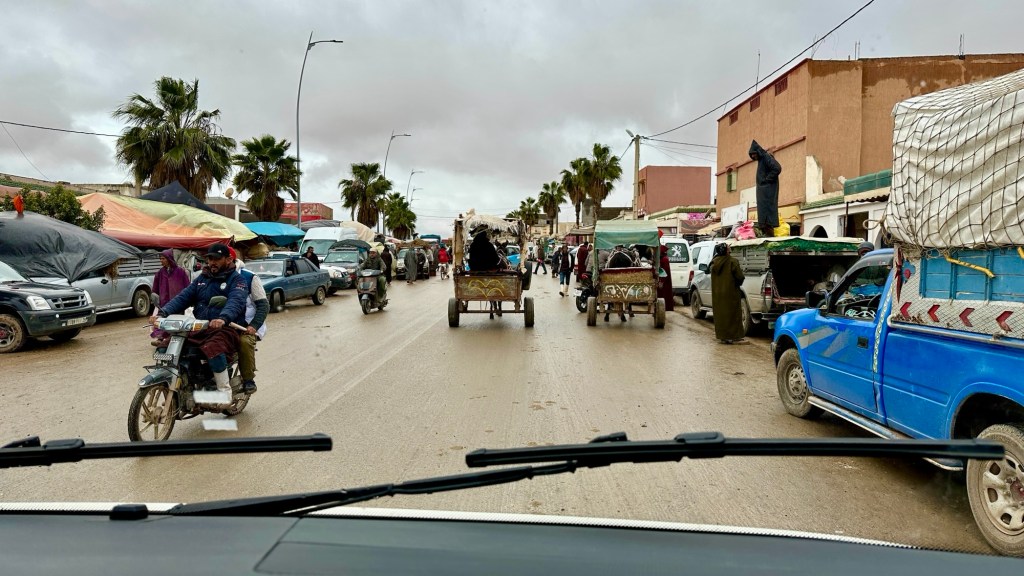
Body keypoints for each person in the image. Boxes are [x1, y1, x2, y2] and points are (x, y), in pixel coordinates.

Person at [151, 243, 248, 393]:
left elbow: (236, 301)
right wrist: (163, 313)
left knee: (212, 348)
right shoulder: (202, 278)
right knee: (165, 346)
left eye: (217, 259)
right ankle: (180, 386)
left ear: (228, 259)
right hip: (201, 327)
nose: (212, 262)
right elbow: (183, 297)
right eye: (210, 259)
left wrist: (223, 318)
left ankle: (224, 391)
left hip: (225, 328)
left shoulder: (237, 280)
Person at [232, 249, 268, 394]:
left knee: (244, 342)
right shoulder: (212, 277)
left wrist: (254, 326)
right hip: (224, 323)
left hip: (245, 325)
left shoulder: (249, 277)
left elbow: (263, 306)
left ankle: (248, 379)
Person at [150, 249, 190, 344]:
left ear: (169, 259)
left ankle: (175, 339)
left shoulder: (180, 272)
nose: (161, 261)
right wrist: (155, 298)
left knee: (176, 321)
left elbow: (188, 287)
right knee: (162, 320)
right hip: (164, 302)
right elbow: (155, 290)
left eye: (163, 259)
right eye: (160, 259)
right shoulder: (160, 273)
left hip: (178, 302)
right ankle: (160, 338)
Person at [710, 243, 746, 344]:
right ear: (726, 250)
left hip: (717, 294)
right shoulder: (732, 261)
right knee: (733, 315)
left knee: (721, 315)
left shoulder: (713, 262)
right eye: (728, 247)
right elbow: (740, 277)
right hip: (731, 293)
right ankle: (734, 336)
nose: (730, 248)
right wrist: (737, 284)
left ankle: (723, 337)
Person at [749, 140, 782, 238]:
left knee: (767, 217)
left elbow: (777, 168)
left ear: (758, 151)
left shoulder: (766, 157)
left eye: (754, 154)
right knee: (763, 218)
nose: (753, 156)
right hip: (763, 192)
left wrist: (767, 180)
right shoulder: (761, 160)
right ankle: (766, 232)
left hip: (767, 192)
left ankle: (769, 235)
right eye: (752, 155)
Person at [657, 245, 675, 312]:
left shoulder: (664, 259)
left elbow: (665, 272)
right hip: (662, 280)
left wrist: (661, 281)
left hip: (664, 282)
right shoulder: (662, 259)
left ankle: (664, 308)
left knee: (664, 295)